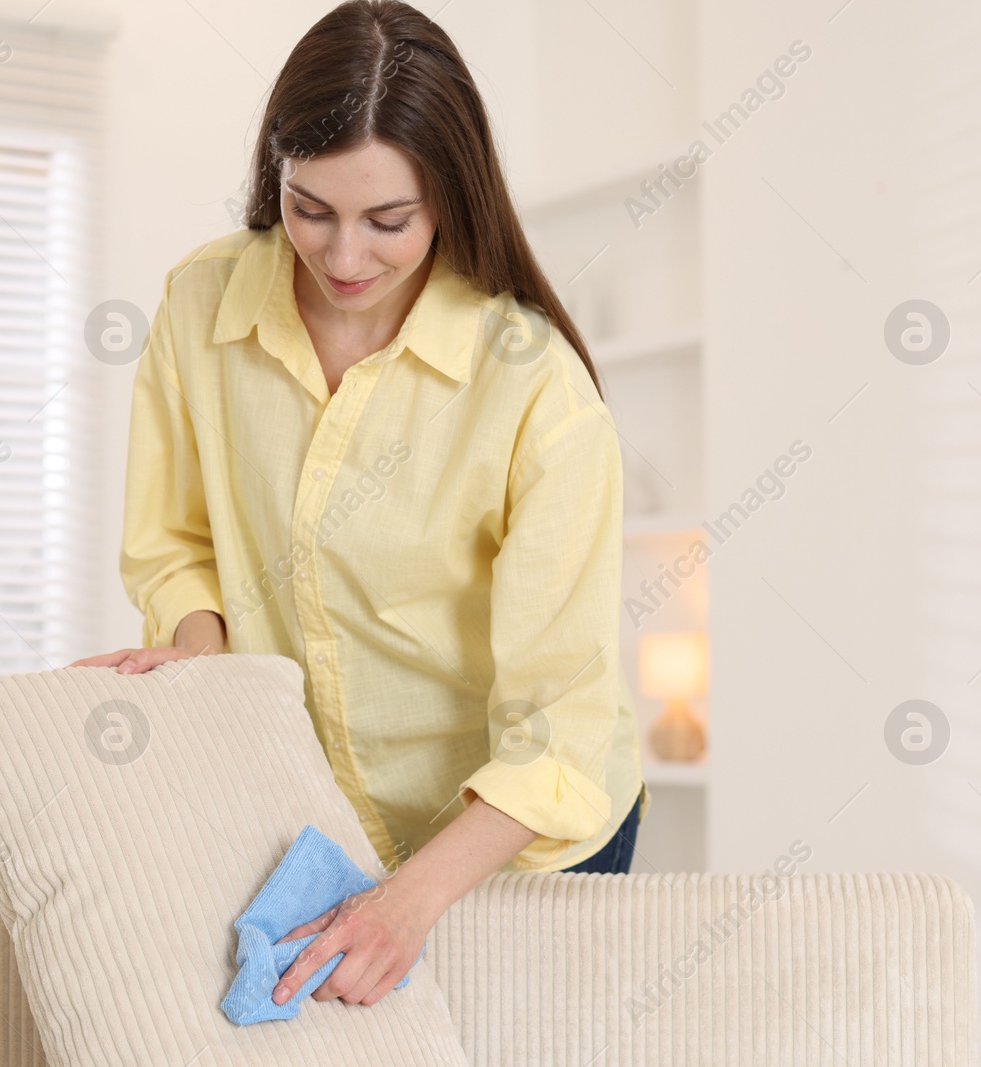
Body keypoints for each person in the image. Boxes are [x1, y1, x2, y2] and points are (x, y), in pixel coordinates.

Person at [72, 0, 648, 1012]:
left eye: (389, 221)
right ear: (274, 175)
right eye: (310, 209)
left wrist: (408, 898)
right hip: (313, 816)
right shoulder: (201, 303)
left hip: (517, 837)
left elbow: (560, 722)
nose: (341, 258)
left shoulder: (534, 387)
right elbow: (174, 541)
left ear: (452, 200)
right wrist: (201, 647)